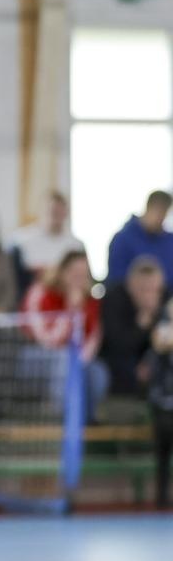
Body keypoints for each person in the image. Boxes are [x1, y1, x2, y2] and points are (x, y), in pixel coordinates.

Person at [22, 250, 110, 420]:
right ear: (62, 272)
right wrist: (70, 311)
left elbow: (92, 342)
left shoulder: (91, 302)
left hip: (74, 361)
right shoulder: (40, 293)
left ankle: (84, 427)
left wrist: (78, 361)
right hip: (35, 357)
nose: (79, 278)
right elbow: (46, 340)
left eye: (83, 274)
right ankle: (59, 421)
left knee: (98, 373)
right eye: (74, 273)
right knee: (63, 361)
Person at [101, 255, 169, 398]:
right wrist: (141, 324)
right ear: (130, 286)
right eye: (144, 289)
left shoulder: (166, 302)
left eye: (154, 289)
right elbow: (117, 345)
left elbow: (163, 342)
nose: (149, 296)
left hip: (154, 363)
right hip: (118, 363)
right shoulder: (115, 299)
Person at [11, 190, 83, 290]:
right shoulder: (21, 240)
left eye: (59, 211)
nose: (55, 215)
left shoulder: (76, 245)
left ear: (65, 213)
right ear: (41, 211)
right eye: (51, 211)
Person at [106, 189, 173, 286]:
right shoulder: (123, 240)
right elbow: (116, 279)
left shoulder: (169, 241)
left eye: (164, 215)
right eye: (159, 212)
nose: (161, 219)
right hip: (127, 299)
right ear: (149, 207)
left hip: (166, 299)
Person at [148, 297, 173, 508]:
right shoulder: (161, 331)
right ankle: (161, 498)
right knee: (162, 453)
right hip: (163, 403)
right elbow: (159, 345)